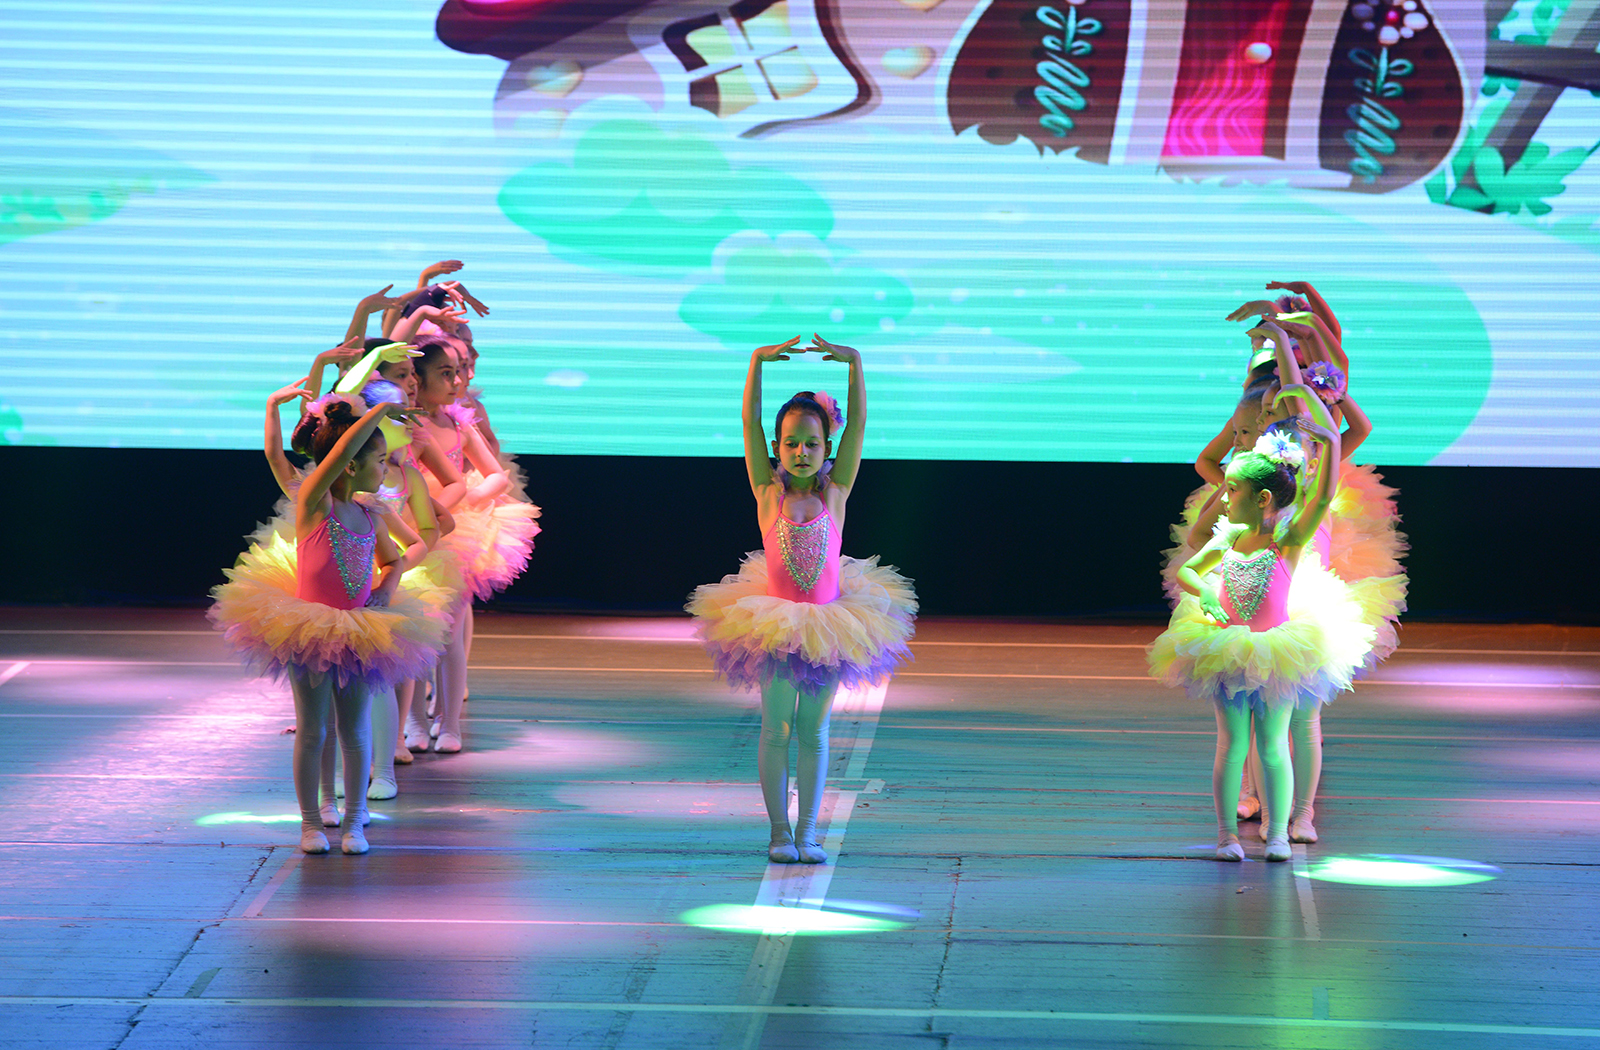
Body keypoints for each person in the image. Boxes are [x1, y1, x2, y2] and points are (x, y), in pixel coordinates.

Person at [687, 334, 916, 865]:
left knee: (813, 730)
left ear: (826, 447)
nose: (801, 452)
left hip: (829, 628)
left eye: (812, 444)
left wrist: (855, 364)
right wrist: (756, 362)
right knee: (776, 729)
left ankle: (808, 832)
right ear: (777, 446)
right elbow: (748, 424)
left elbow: (858, 426)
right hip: (774, 627)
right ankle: (778, 833)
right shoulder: (767, 494)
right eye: (791, 443)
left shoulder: (836, 494)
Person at [210, 396, 447, 853]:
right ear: (352, 466)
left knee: (355, 730)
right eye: (379, 460)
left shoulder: (370, 511)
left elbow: (395, 559)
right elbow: (336, 453)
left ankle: (355, 820)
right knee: (313, 729)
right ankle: (312, 822)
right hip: (310, 629)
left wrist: (387, 585)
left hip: (359, 631)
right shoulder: (315, 503)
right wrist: (377, 412)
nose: (385, 468)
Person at [1148, 415, 1373, 862]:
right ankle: (1226, 836)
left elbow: (1322, 495)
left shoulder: (1289, 540)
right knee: (1231, 745)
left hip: (1275, 653)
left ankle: (1277, 836)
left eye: (1232, 489)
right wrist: (1205, 591)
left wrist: (1331, 441)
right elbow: (1188, 570)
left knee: (1272, 746)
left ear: (1262, 498)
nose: (1223, 497)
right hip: (1226, 650)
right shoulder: (1229, 537)